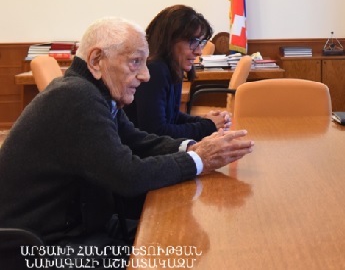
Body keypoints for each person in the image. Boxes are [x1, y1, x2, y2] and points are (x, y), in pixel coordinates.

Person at [0, 17, 253, 263]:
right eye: (135, 63)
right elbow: (128, 175)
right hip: (41, 248)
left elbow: (137, 140)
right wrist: (199, 159)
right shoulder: (77, 97)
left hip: (80, 223)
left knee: (175, 237)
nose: (145, 76)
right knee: (175, 255)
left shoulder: (92, 91)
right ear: (96, 60)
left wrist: (191, 147)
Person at [126, 5, 229, 140]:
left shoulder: (171, 67)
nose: (199, 51)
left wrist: (204, 121)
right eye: (192, 41)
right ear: (169, 40)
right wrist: (207, 126)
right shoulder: (154, 70)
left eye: (201, 42)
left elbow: (172, 116)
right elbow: (156, 132)